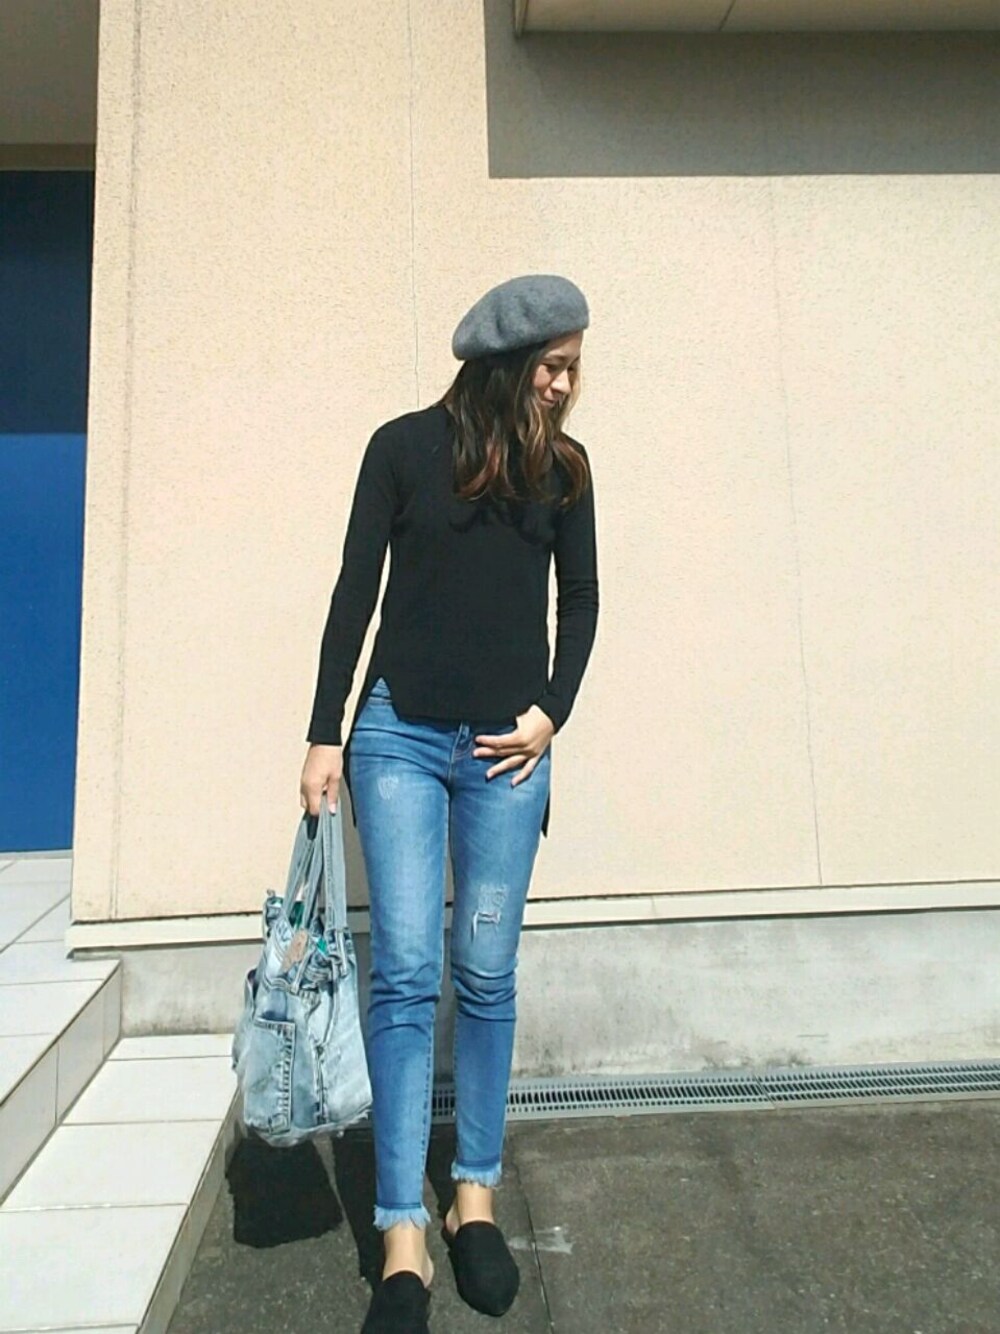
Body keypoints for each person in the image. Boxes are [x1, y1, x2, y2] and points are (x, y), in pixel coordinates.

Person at [300, 274, 599, 1334]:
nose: (565, 384)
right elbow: (355, 588)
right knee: (405, 972)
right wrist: (324, 728)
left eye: (573, 367)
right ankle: (401, 1235)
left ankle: (473, 1197)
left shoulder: (563, 471)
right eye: (552, 365)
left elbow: (582, 598)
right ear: (505, 363)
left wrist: (551, 712)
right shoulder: (400, 448)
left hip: (506, 755)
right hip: (398, 735)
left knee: (483, 970)